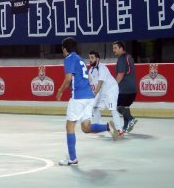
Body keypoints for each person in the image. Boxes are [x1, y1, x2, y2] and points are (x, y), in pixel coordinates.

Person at [56, 37, 118, 166]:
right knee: (86, 127)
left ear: (65, 49)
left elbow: (68, 79)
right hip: (89, 97)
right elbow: (89, 79)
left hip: (78, 97)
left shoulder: (69, 59)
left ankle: (72, 159)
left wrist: (60, 91)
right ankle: (107, 127)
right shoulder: (80, 60)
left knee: (69, 127)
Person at [87, 51, 123, 137]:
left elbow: (99, 85)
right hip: (102, 91)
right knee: (94, 107)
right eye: (89, 58)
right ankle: (100, 126)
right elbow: (91, 84)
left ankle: (120, 130)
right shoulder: (91, 70)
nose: (90, 60)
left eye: (92, 57)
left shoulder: (102, 69)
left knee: (112, 109)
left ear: (97, 59)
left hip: (111, 90)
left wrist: (92, 97)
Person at [112, 40, 138, 133]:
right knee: (125, 107)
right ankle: (126, 127)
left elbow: (121, 74)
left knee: (118, 106)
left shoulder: (122, 58)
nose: (113, 50)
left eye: (115, 48)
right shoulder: (129, 57)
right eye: (113, 48)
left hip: (125, 89)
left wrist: (113, 86)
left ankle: (131, 119)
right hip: (133, 89)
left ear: (121, 48)